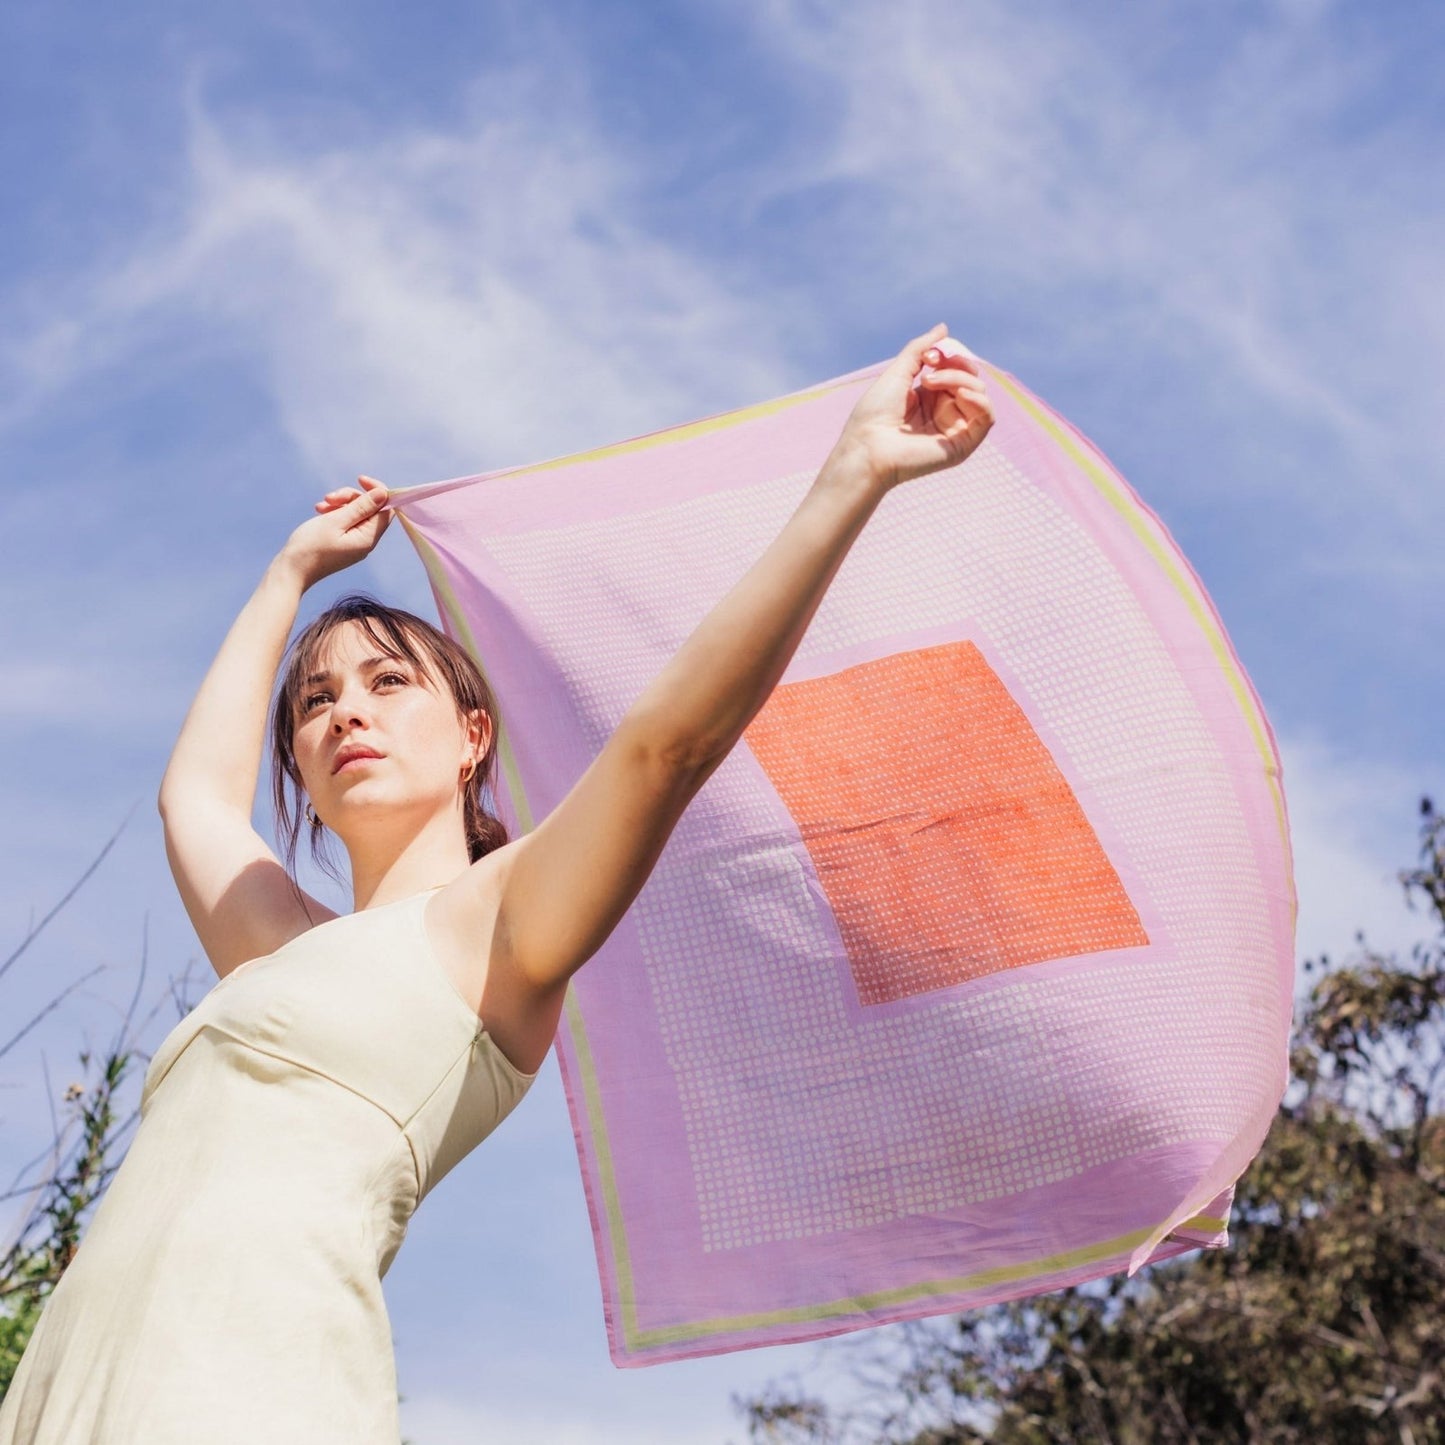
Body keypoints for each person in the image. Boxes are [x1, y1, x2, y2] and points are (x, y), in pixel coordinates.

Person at [0, 324, 992, 1443]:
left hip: (250, 1386)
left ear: (473, 736)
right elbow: (195, 800)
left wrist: (850, 476)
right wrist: (287, 574)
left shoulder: (495, 926)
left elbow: (664, 744)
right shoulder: (280, 951)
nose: (345, 712)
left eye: (384, 681)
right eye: (314, 702)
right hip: (72, 1388)